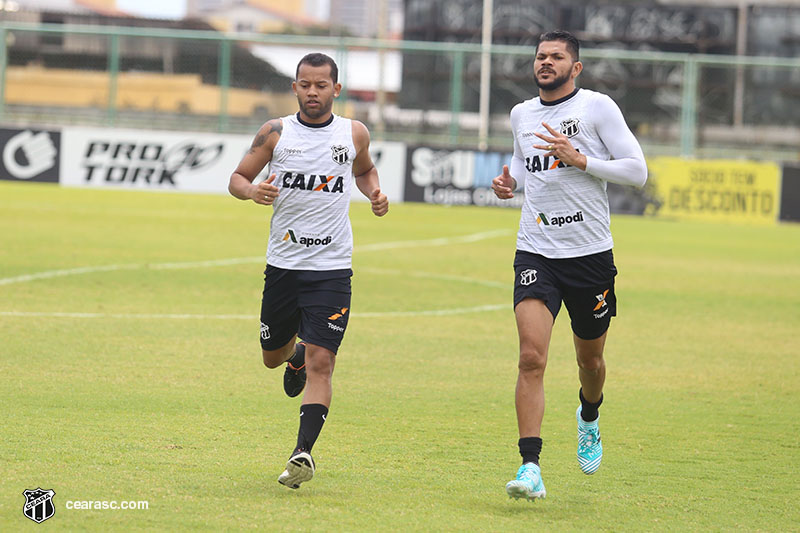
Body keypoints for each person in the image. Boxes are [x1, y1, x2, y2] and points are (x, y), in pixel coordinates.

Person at [491, 30, 647, 501]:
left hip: (590, 256)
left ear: (575, 67)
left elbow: (637, 171)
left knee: (590, 361)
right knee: (531, 357)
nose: (546, 62)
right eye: (541, 56)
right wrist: (510, 184)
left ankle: (589, 415)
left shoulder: (597, 108)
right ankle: (530, 466)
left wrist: (581, 160)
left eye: (556, 57)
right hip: (536, 251)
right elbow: (523, 165)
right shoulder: (521, 114)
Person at [228, 52, 388, 489]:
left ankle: (302, 453)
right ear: (295, 87)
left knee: (324, 362)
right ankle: (292, 354)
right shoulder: (275, 132)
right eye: (305, 84)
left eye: (321, 85)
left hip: (332, 269)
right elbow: (237, 178)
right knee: (271, 357)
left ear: (336, 89)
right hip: (284, 266)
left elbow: (365, 170)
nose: (312, 92)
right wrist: (252, 191)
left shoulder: (353, 133)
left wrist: (374, 192)